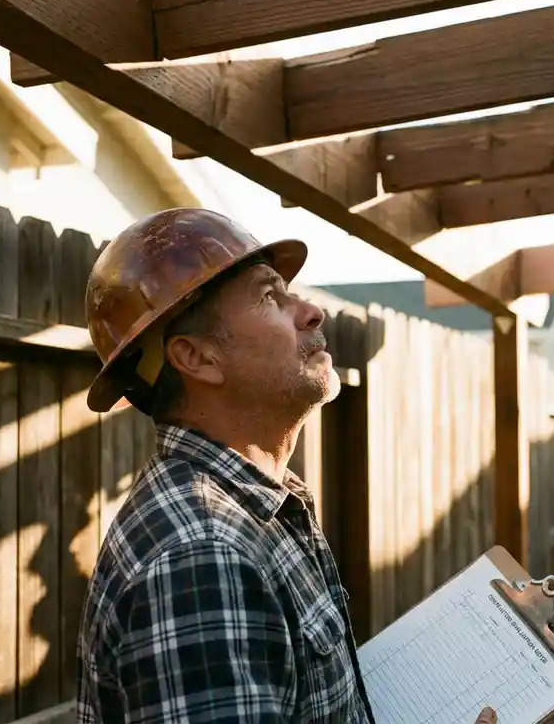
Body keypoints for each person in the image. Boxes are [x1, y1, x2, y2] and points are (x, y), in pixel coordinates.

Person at [74, 207, 498, 724]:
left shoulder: (258, 507)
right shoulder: (202, 555)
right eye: (269, 297)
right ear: (199, 358)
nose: (311, 311)